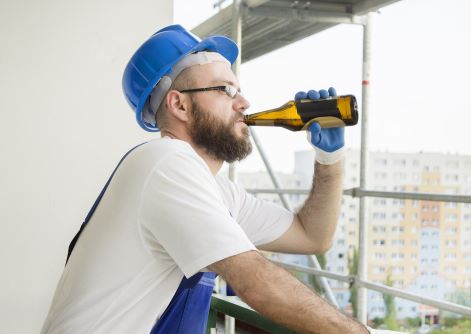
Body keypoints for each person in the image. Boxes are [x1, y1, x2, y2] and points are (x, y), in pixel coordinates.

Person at [41, 24, 406, 334]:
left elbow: (312, 236)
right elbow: (258, 284)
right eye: (225, 90)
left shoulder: (213, 189)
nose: (244, 102)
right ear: (179, 105)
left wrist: (330, 159)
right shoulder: (166, 163)